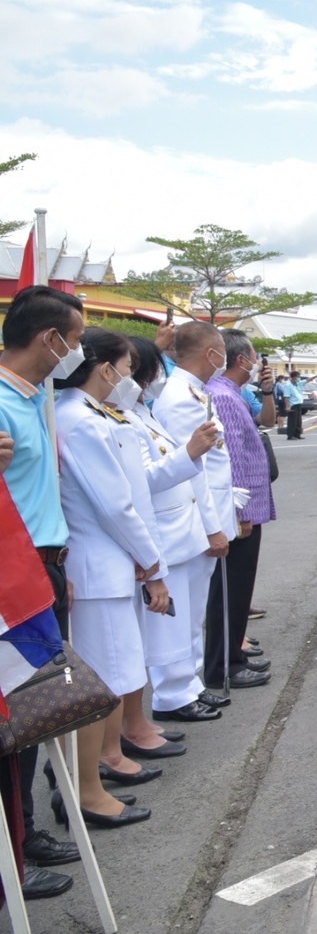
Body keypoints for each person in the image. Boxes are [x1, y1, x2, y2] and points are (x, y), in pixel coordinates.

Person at [54, 327, 164, 829]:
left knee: (111, 679)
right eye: (125, 368)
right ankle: (83, 791)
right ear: (105, 370)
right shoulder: (82, 421)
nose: (128, 378)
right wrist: (151, 560)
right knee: (98, 684)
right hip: (99, 567)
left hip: (109, 566)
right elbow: (115, 506)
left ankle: (91, 779)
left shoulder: (91, 416)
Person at [0, 286, 84, 896]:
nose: (74, 354)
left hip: (46, 565)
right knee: (13, 718)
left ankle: (23, 831)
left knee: (35, 716)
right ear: (48, 339)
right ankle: (9, 857)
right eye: (73, 342)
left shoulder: (36, 397)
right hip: (12, 578)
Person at [123, 337, 221, 751]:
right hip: (164, 532)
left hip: (181, 527)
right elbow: (143, 480)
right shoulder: (119, 415)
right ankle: (173, 694)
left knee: (186, 618)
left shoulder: (142, 411)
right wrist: (190, 452)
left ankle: (186, 687)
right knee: (166, 627)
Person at [153, 321, 241, 719]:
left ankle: (188, 685)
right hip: (191, 519)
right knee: (182, 611)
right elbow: (194, 469)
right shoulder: (180, 398)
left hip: (205, 515)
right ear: (211, 354)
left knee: (193, 610)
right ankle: (174, 693)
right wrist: (212, 527)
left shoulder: (194, 392)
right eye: (221, 350)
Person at [204, 330, 277, 692]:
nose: (256, 363)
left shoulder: (232, 395)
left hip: (247, 510)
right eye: (252, 357)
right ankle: (225, 664)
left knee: (238, 589)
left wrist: (267, 391)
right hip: (241, 513)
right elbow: (230, 461)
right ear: (241, 361)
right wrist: (239, 511)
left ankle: (234, 654)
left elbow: (268, 421)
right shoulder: (223, 397)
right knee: (230, 592)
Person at [278, 369, 306, 439]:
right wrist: (287, 406)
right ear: (294, 377)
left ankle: (297, 434)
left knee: (298, 420)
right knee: (292, 421)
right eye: (298, 377)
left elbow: (307, 381)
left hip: (298, 403)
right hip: (292, 405)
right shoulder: (288, 385)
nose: (299, 378)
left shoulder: (297, 384)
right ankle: (290, 435)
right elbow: (286, 397)